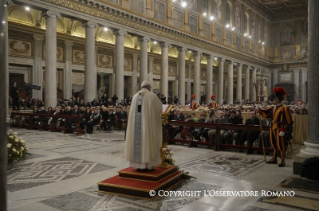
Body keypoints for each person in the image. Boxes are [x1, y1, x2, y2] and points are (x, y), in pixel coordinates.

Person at [125, 81, 162, 170]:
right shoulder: (151, 96)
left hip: (136, 126)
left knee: (137, 141)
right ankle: (148, 165)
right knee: (147, 140)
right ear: (149, 87)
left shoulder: (135, 97)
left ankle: (137, 166)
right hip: (147, 125)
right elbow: (159, 108)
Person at [259, 87, 292, 167]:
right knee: (273, 143)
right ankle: (274, 158)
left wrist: (283, 129)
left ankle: (282, 160)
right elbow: (266, 114)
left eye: (276, 98)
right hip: (272, 127)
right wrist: (259, 110)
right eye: (274, 98)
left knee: (281, 144)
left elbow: (288, 120)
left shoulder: (284, 108)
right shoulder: (272, 108)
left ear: (280, 99)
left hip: (280, 128)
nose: (275, 100)